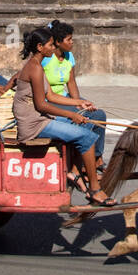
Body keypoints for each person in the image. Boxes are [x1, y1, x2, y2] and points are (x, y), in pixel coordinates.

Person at [13, 26, 114, 206]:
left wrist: (79, 104)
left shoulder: (37, 65)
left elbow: (51, 96)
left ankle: (76, 170)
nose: (53, 48)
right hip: (34, 124)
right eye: (50, 45)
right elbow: (42, 104)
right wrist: (71, 115)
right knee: (87, 137)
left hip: (40, 118)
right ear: (39, 47)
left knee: (86, 124)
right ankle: (95, 189)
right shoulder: (34, 68)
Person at [40, 19, 107, 177]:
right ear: (57, 42)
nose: (72, 42)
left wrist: (80, 102)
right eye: (69, 39)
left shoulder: (69, 56)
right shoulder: (46, 58)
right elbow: (49, 94)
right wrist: (76, 104)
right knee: (85, 119)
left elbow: (71, 82)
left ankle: (97, 158)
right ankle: (80, 163)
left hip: (65, 97)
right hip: (51, 100)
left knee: (99, 115)